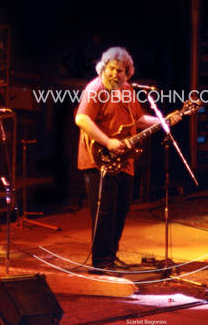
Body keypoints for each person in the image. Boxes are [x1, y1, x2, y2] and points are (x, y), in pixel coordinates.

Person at [75, 47, 181, 273]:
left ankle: (110, 257)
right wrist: (108, 142)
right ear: (103, 68)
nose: (115, 74)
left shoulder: (127, 90)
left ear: (128, 73)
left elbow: (139, 120)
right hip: (99, 159)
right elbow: (82, 119)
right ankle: (102, 263)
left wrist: (164, 121)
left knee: (121, 209)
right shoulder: (95, 89)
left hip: (123, 161)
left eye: (120, 71)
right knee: (104, 211)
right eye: (111, 69)